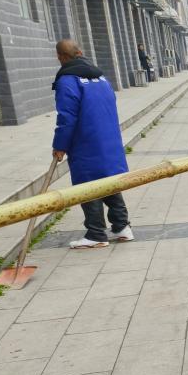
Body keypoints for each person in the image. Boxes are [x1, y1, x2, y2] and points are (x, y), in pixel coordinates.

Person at [52, 39, 134, 249]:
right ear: (80, 53)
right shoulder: (100, 77)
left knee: (87, 186)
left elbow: (66, 117)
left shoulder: (67, 81)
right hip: (109, 140)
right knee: (109, 182)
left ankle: (96, 233)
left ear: (61, 57)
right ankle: (121, 226)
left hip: (86, 142)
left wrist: (60, 145)